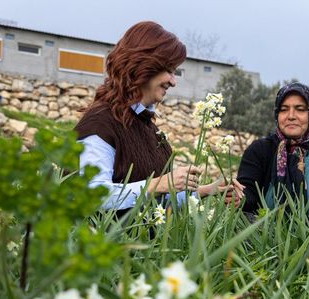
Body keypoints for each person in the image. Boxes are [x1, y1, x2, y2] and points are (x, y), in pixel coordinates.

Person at [74, 21, 242, 214]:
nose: (173, 81)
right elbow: (91, 196)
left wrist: (207, 191)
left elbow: (158, 204)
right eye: (169, 71)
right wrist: (160, 184)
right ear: (144, 66)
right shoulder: (100, 123)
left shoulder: (147, 127)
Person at [236, 82, 309, 214]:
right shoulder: (260, 150)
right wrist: (237, 198)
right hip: (260, 232)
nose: (291, 116)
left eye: (300, 109)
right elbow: (247, 193)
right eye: (284, 109)